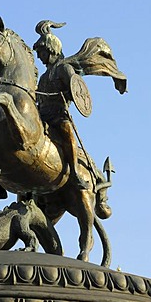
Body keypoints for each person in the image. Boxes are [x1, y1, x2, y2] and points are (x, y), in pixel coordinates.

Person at [33, 20, 89, 189]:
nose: (39, 57)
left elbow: (75, 88)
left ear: (50, 49)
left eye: (41, 53)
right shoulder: (43, 77)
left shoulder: (64, 69)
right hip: (42, 116)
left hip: (58, 114)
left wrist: (67, 94)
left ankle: (74, 172)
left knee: (67, 132)